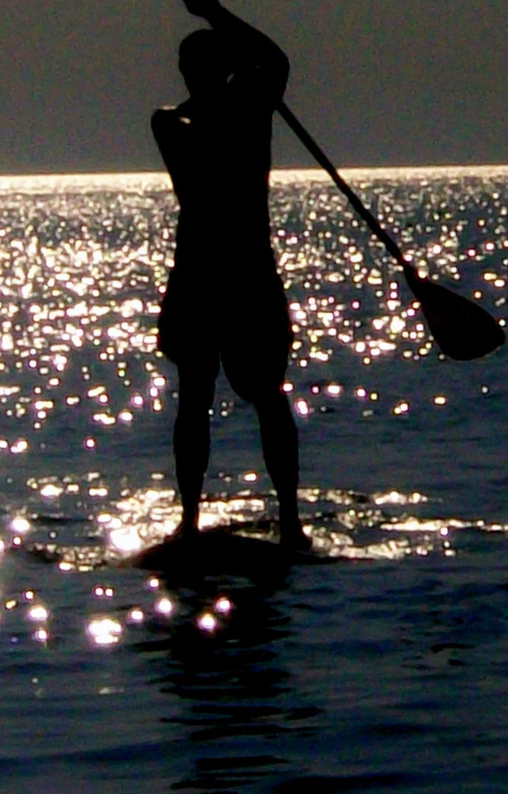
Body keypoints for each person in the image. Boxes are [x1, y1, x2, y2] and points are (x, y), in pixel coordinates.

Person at [152, 0, 309, 550]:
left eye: (202, 68)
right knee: (194, 394)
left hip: (246, 273)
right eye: (189, 69)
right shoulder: (175, 123)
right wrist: (236, 58)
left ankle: (290, 520)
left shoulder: (249, 109)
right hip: (201, 275)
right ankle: (190, 520)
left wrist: (214, 12)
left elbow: (274, 60)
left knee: (266, 392)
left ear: (219, 69)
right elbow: (266, 68)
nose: (192, 77)